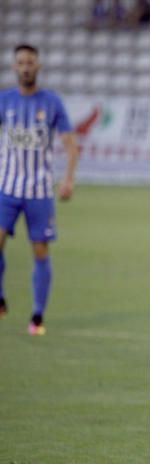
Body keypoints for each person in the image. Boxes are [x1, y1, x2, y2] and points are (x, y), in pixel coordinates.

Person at [0, 44, 79, 334]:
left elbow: (70, 144)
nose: (25, 67)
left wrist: (68, 179)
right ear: (14, 67)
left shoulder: (51, 102)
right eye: (20, 62)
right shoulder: (4, 100)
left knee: (40, 251)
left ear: (38, 66)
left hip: (39, 190)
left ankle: (37, 316)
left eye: (30, 62)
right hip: (6, 187)